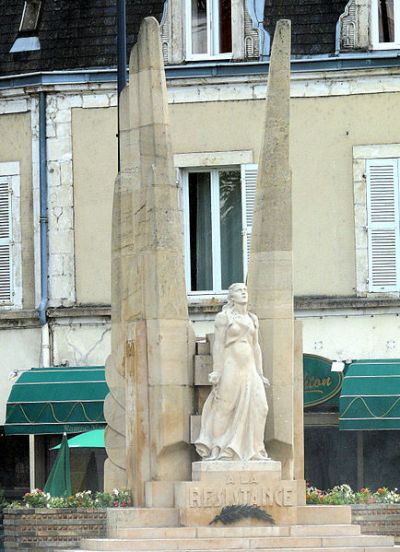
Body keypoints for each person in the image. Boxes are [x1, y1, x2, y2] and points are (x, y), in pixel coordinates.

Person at [195, 283, 270, 461]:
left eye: (245, 290)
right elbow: (219, 344)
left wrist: (260, 373)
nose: (244, 292)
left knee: (261, 407)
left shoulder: (253, 318)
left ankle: (255, 449)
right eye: (239, 290)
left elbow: (256, 346)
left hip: (250, 367)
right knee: (224, 406)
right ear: (231, 297)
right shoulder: (223, 317)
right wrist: (217, 370)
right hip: (231, 365)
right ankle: (218, 447)